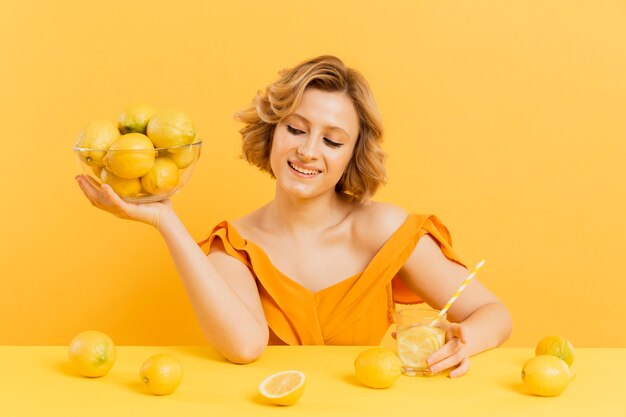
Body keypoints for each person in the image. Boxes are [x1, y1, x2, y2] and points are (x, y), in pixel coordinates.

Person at [76, 55, 512, 377]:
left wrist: (465, 340)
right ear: (271, 133)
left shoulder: (382, 231)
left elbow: (494, 313)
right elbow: (245, 347)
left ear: (351, 157)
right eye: (296, 129)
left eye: (332, 140)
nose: (307, 151)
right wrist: (165, 220)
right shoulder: (234, 247)